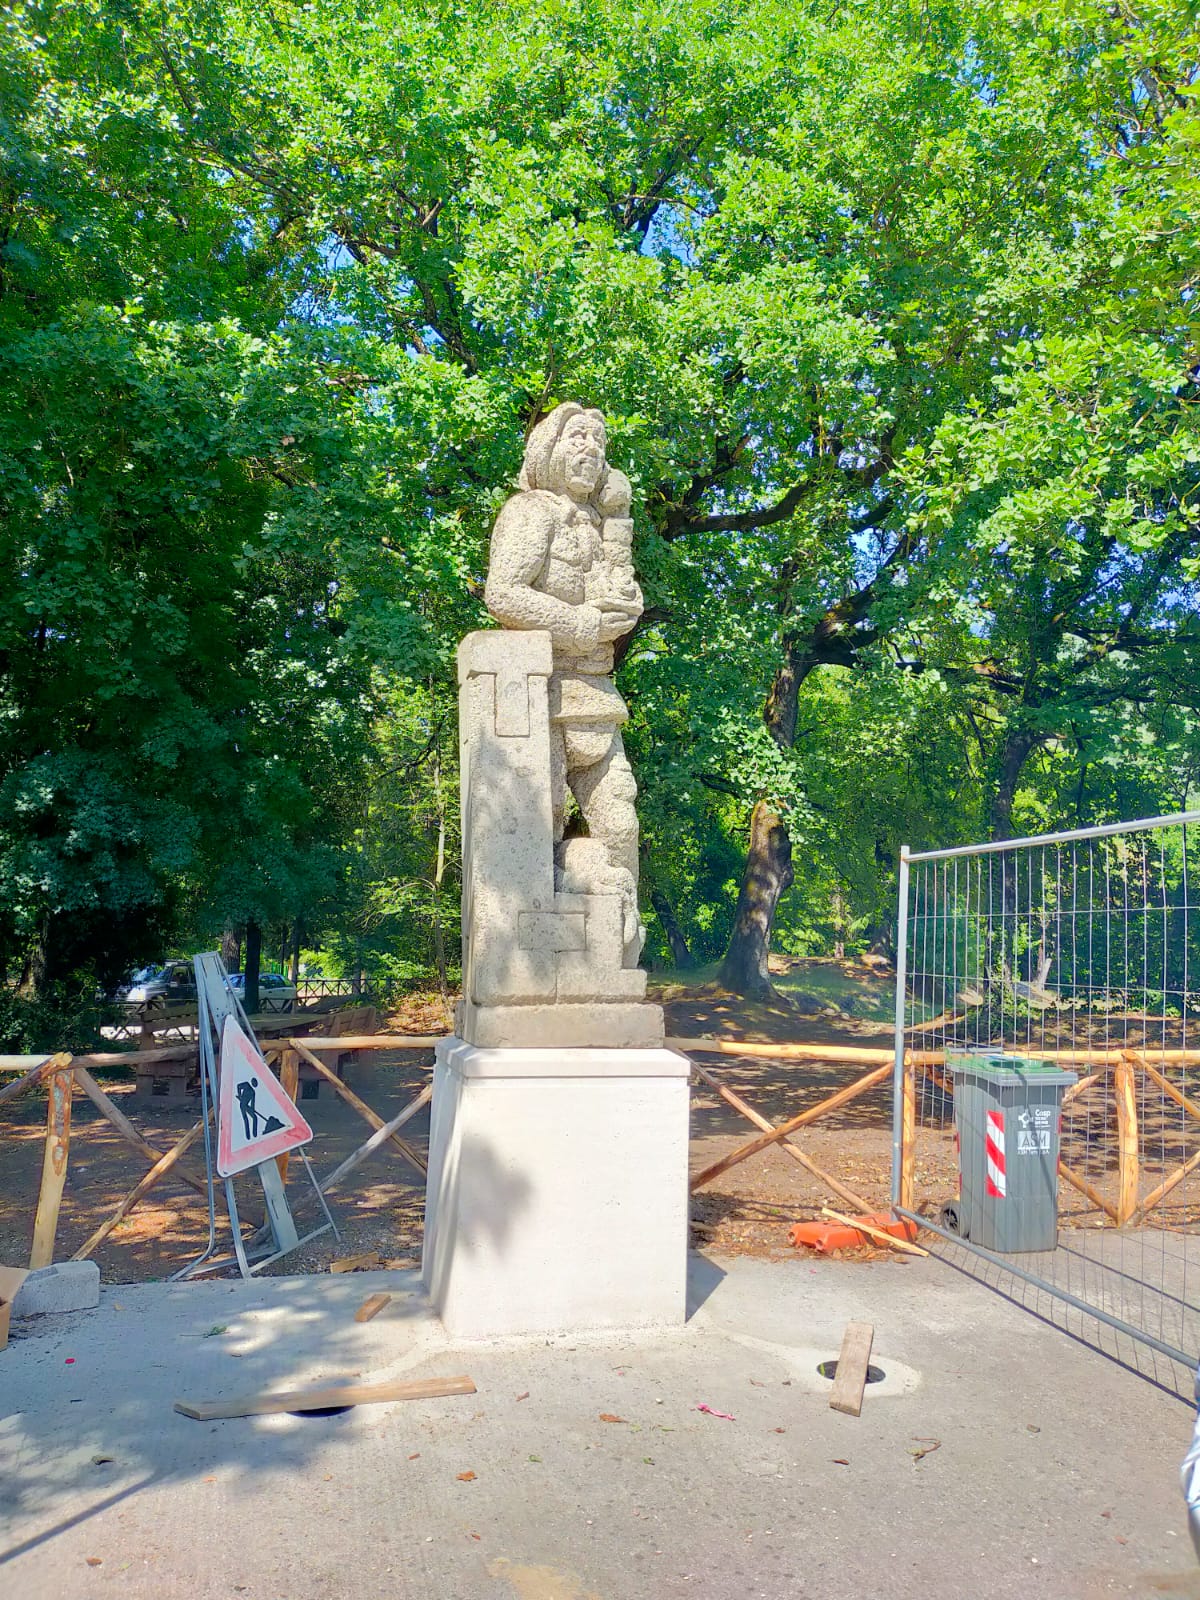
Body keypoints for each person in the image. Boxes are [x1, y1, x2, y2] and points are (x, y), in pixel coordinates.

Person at [484, 403, 644, 960]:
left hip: (597, 695)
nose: (590, 449)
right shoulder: (532, 511)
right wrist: (580, 624)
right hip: (540, 697)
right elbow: (503, 592)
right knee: (539, 826)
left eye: (598, 442)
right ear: (548, 449)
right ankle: (542, 945)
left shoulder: (599, 525)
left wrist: (624, 596)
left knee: (621, 823)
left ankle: (618, 948)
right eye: (577, 437)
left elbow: (618, 592)